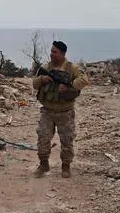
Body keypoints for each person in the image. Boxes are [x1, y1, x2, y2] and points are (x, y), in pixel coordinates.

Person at [32, 40, 89, 178]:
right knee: (43, 137)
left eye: (54, 52)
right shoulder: (47, 67)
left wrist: (69, 86)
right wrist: (42, 79)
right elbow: (34, 84)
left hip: (65, 111)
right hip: (47, 111)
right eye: (51, 51)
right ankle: (44, 164)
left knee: (67, 140)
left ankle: (66, 166)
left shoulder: (71, 68)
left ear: (62, 54)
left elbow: (84, 80)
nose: (51, 54)